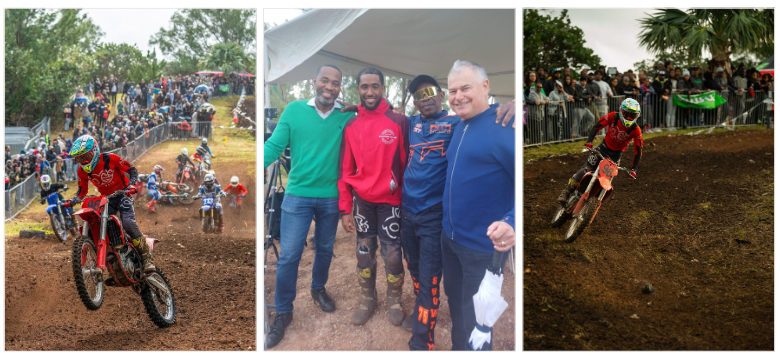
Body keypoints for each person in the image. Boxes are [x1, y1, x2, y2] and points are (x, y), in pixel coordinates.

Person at [263, 64, 352, 349]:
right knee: (289, 255)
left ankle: (318, 289)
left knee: (325, 249)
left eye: (335, 83)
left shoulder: (346, 115)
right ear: (314, 82)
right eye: (324, 80)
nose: (329, 86)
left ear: (340, 87)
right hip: (298, 195)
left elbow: (375, 115)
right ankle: (284, 311)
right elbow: (275, 147)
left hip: (330, 197)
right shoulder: (293, 109)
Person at [440, 60, 515, 351]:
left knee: (478, 322)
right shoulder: (459, 125)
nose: (458, 96)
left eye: (465, 88)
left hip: (481, 250)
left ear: (485, 87)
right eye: (453, 90)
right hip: (450, 240)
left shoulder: (504, 126)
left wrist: (513, 220)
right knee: (457, 307)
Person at [338, 67, 409, 328]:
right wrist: (345, 207)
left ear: (383, 89)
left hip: (391, 202)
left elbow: (407, 162)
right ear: (358, 89)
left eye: (375, 86)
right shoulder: (350, 124)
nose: (370, 91)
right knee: (364, 253)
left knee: (392, 254)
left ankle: (394, 300)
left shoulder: (399, 121)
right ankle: (367, 299)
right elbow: (344, 169)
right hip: (362, 202)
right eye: (364, 86)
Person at [66, 135, 153, 272]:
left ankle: (146, 257)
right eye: (79, 158)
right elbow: (83, 191)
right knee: (100, 224)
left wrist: (131, 184)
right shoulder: (82, 170)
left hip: (123, 194)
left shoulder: (110, 158)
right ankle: (112, 259)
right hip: (107, 199)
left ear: (94, 151)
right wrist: (74, 200)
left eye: (85, 157)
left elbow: (132, 169)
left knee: (128, 223)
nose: (83, 161)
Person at [557, 98, 644, 205]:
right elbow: (597, 126)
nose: (629, 118)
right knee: (586, 169)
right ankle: (566, 192)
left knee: (606, 181)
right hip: (603, 148)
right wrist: (589, 141)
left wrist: (633, 169)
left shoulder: (636, 130)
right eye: (627, 114)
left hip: (616, 156)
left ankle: (590, 202)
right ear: (621, 111)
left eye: (633, 116)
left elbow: (638, 151)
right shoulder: (613, 116)